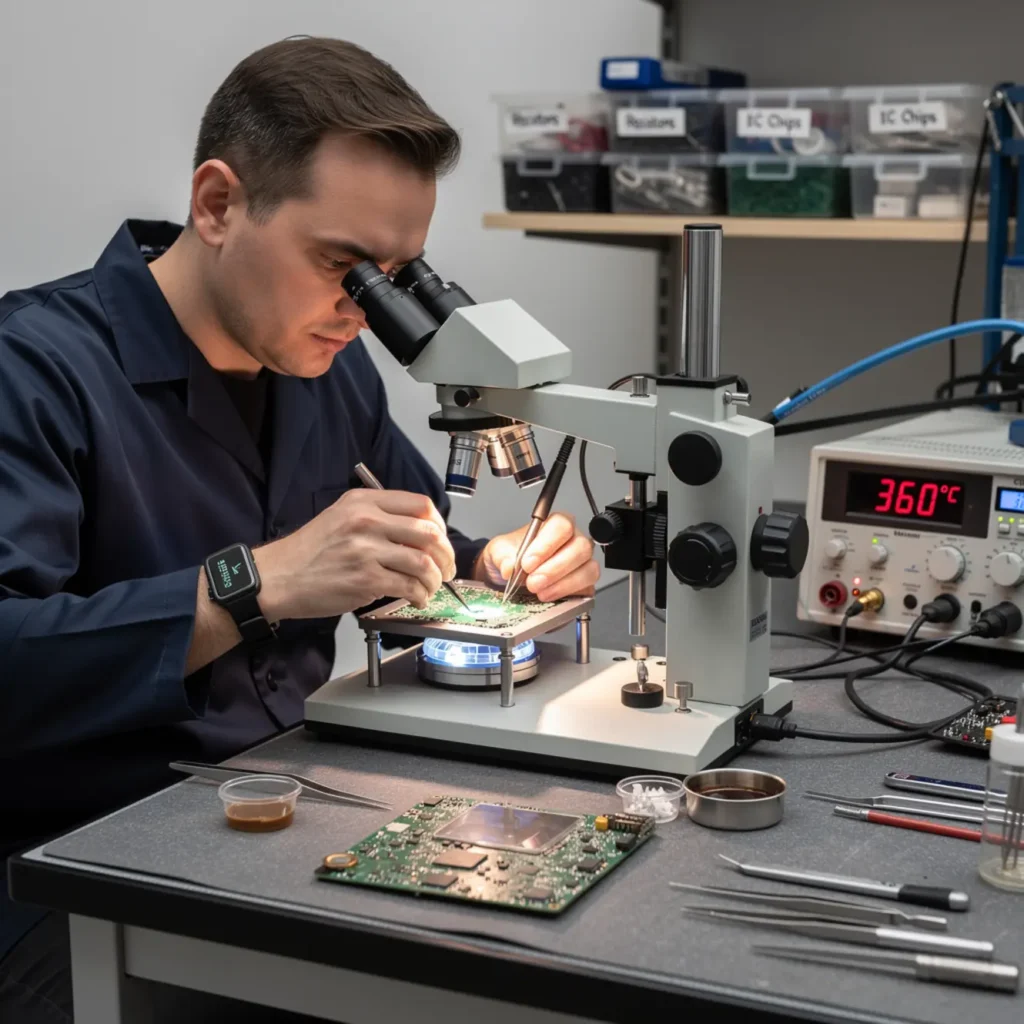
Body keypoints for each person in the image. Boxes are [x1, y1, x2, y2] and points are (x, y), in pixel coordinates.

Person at [0, 36, 599, 1022]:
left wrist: (500, 567)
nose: (364, 310)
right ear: (218, 204)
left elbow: (405, 549)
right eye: (343, 265)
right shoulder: (34, 371)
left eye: (396, 274)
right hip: (69, 874)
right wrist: (252, 586)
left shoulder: (327, 366)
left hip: (284, 819)